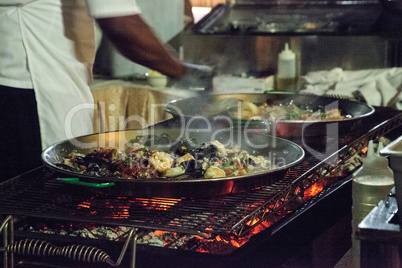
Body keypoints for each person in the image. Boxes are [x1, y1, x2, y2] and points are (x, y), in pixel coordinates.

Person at [0, 0, 188, 180]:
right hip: (30, 95)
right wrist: (187, 73)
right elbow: (122, 25)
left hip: (29, 86)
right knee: (44, 192)